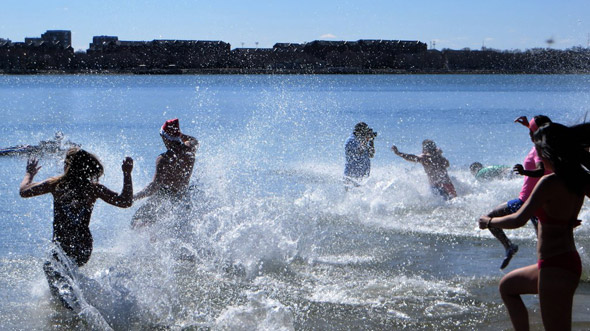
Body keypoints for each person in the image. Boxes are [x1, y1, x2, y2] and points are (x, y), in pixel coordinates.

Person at [478, 122, 586, 331]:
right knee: (508, 286)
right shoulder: (578, 178)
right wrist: (568, 218)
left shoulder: (549, 183)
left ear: (546, 153)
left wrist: (489, 222)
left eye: (538, 151)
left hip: (555, 266)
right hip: (562, 262)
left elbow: (518, 219)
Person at [19, 148, 133, 308]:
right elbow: (125, 201)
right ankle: (78, 303)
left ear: (68, 165)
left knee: (51, 267)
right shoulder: (93, 189)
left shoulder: (56, 184)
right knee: (62, 273)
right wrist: (127, 174)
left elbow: (24, 191)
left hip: (63, 246)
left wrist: (30, 174)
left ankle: (70, 309)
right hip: (84, 247)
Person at [482, 115, 552, 270]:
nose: (529, 135)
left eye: (531, 132)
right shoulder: (549, 146)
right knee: (544, 242)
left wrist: (523, 171)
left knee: (489, 219)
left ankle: (511, 247)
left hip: (527, 203)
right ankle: (551, 267)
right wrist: (528, 124)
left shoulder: (539, 151)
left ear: (537, 133)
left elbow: (540, 171)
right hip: (539, 203)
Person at [132, 118, 199, 228]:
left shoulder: (163, 159)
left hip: (165, 197)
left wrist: (134, 197)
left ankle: (145, 244)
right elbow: (194, 140)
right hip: (183, 196)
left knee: (136, 221)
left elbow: (154, 186)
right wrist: (180, 135)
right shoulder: (190, 150)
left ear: (165, 138)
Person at [391, 139, 457, 200]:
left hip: (436, 186)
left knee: (443, 206)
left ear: (424, 149)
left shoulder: (425, 158)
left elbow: (411, 157)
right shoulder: (440, 158)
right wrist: (439, 154)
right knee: (455, 202)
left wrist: (398, 153)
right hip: (448, 184)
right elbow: (447, 164)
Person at [344, 122, 376, 187]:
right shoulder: (351, 140)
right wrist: (366, 139)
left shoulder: (361, 140)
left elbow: (371, 154)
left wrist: (371, 141)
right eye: (365, 132)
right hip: (352, 176)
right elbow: (359, 151)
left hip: (362, 177)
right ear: (360, 131)